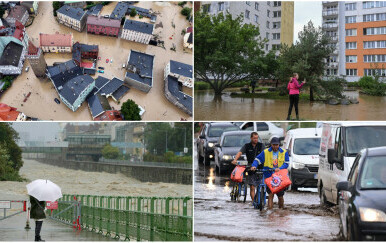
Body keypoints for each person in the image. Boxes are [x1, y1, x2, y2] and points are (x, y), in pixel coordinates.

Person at [250, 137, 289, 209]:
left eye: (276, 145)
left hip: (280, 176)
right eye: (274, 145)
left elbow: (286, 164)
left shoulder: (284, 152)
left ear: (279, 145)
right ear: (271, 144)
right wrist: (254, 166)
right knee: (270, 194)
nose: (275, 146)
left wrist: (279, 168)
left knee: (280, 196)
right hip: (268, 175)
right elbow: (257, 159)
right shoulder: (266, 152)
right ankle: (270, 211)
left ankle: (281, 211)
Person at [231, 132, 265, 202]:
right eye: (254, 138)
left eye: (257, 138)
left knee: (260, 185)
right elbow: (240, 153)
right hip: (250, 167)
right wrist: (235, 160)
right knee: (252, 186)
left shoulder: (261, 145)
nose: (256, 139)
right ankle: (254, 202)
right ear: (251, 138)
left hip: (260, 167)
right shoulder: (247, 146)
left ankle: (260, 199)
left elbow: (265, 154)